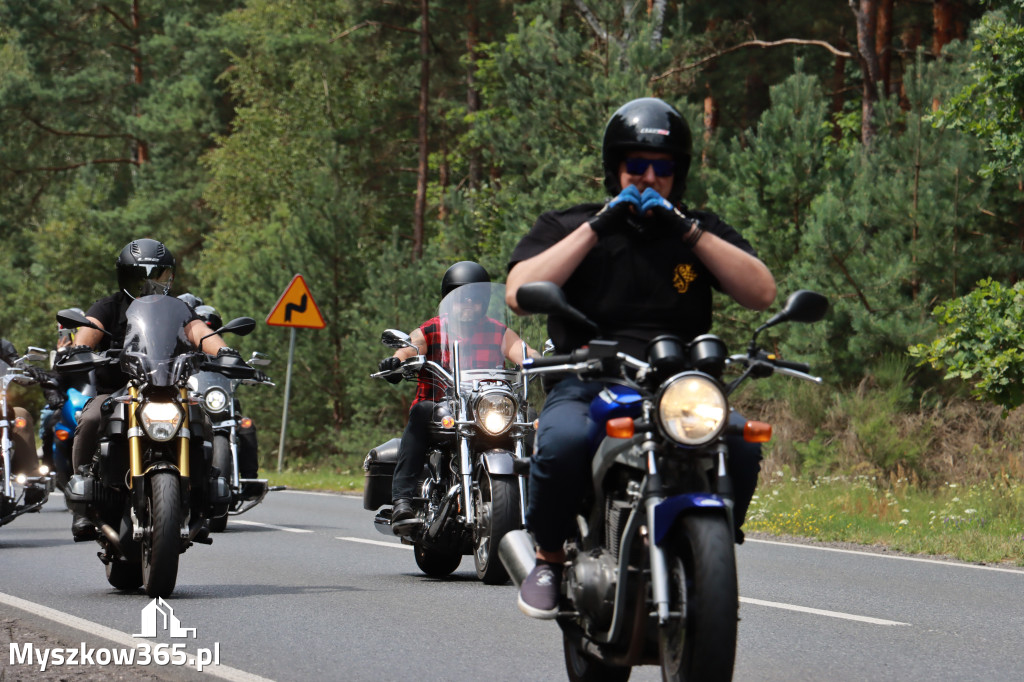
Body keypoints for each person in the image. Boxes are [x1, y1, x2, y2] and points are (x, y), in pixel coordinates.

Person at [505, 97, 777, 618]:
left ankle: (708, 544)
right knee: (560, 443)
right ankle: (549, 556)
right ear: (616, 168)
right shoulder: (572, 224)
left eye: (663, 167)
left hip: (678, 384)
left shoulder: (697, 231)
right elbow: (520, 290)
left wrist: (685, 230)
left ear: (679, 173)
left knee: (740, 443)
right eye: (637, 166)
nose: (650, 177)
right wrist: (601, 225)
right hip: (588, 379)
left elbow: (761, 291)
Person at [66, 238, 240, 541]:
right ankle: (83, 501)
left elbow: (199, 330)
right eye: (139, 276)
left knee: (204, 422)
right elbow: (90, 327)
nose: (148, 284)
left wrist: (226, 352)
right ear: (124, 277)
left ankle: (202, 498)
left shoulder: (179, 310)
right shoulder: (107, 307)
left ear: (169, 277)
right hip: (118, 393)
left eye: (157, 276)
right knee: (92, 417)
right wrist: (79, 347)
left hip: (169, 390)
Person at [377, 261, 539, 534]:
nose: (468, 305)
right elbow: (411, 347)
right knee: (418, 413)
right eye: (461, 299)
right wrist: (397, 361)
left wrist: (546, 364)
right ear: (449, 301)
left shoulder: (498, 331)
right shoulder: (433, 329)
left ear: (484, 303)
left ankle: (541, 500)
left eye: (475, 300)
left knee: (530, 419)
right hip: (443, 410)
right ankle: (402, 500)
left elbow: (525, 353)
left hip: (487, 410)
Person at [1, 338, 45, 476]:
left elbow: (16, 363)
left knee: (21, 415)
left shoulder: (2, 346)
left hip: (1, 408)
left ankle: (32, 479)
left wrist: (28, 369)